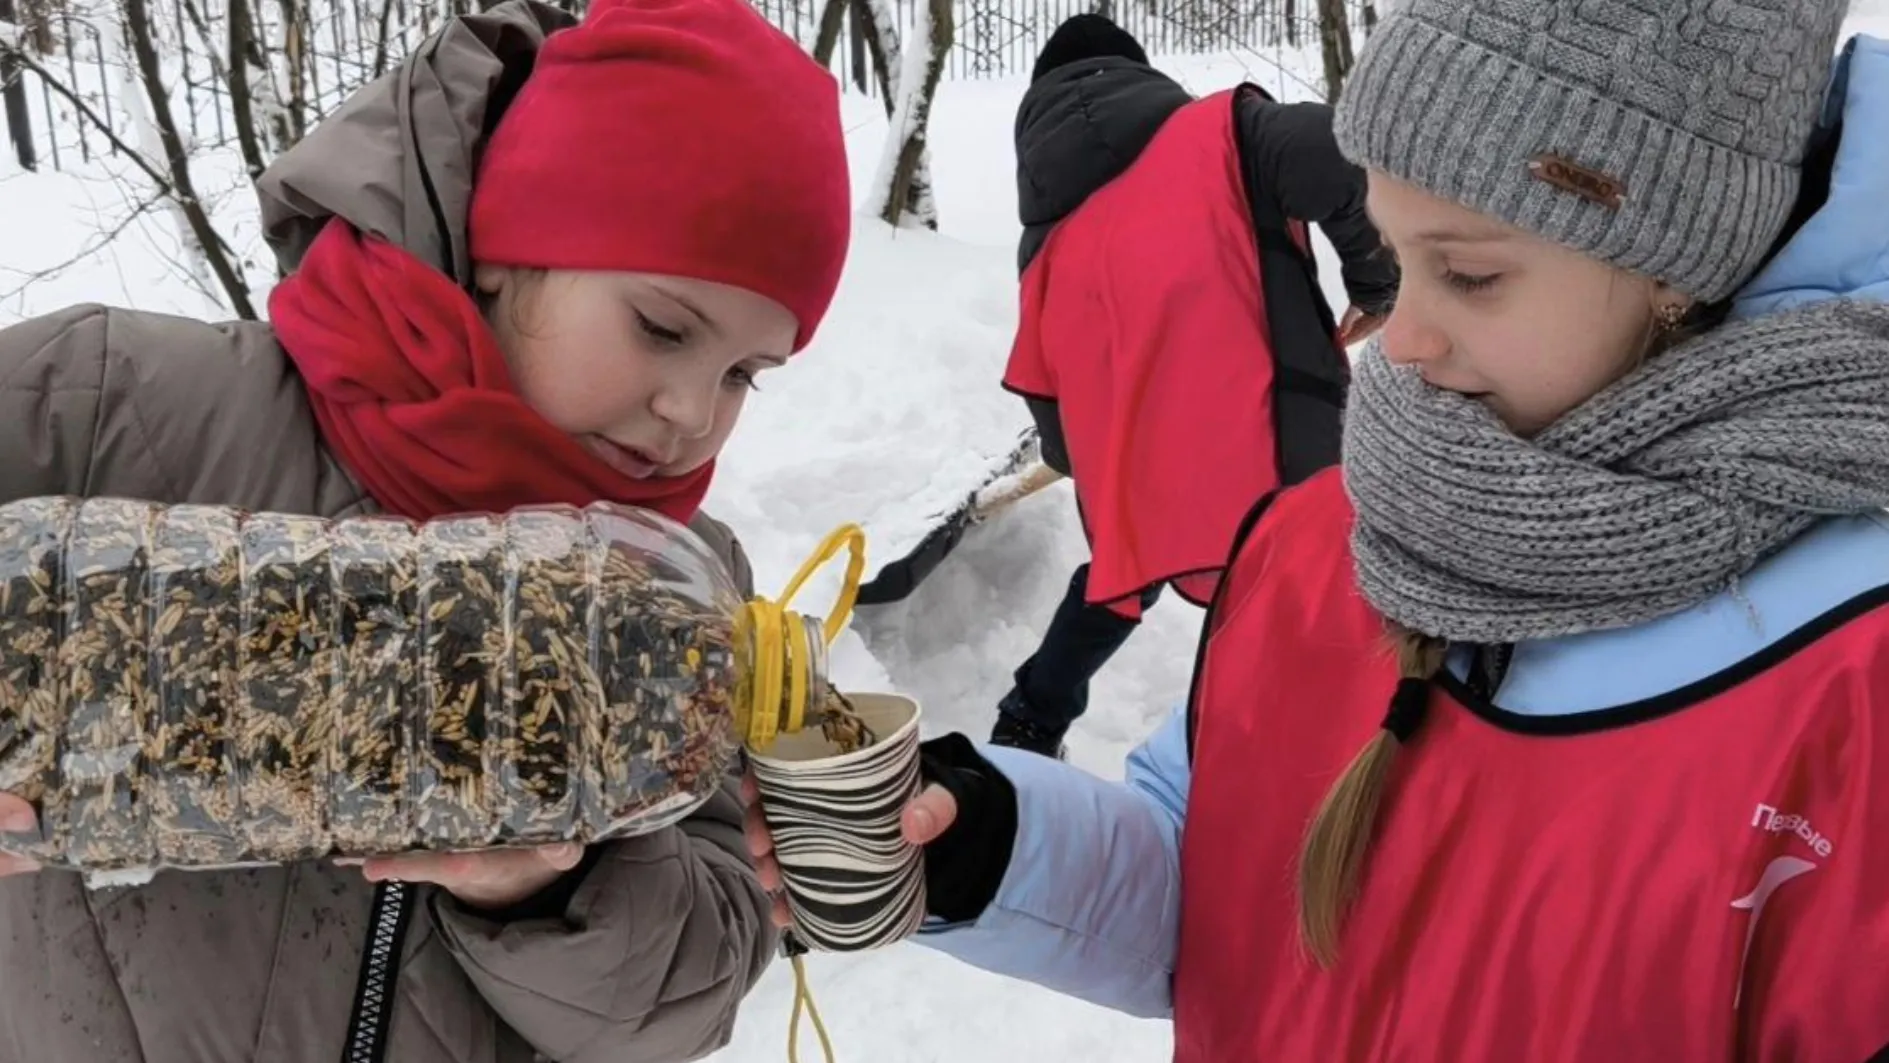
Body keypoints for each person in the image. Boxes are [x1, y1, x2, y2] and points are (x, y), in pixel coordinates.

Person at [750, 2, 1889, 1057]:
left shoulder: (1852, 679)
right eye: (1395, 256)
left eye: (1469, 274)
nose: (1401, 340)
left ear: (1677, 267)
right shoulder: (1319, 540)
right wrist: (988, 846)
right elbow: (1220, 888)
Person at [0, 0, 849, 1059]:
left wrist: (545, 885)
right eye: (662, 329)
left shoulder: (682, 603)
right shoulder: (100, 404)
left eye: (742, 374)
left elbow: (685, 997)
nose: (691, 411)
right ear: (508, 252)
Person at [990, 14, 1399, 758]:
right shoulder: (1224, 134)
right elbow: (1342, 156)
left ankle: (1029, 721)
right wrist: (1377, 282)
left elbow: (1045, 388)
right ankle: (1300, 749)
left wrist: (1101, 469)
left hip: (1144, 460)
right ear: (1137, 75)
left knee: (1124, 571)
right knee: (1303, 575)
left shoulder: (1045, 242)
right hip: (1277, 427)